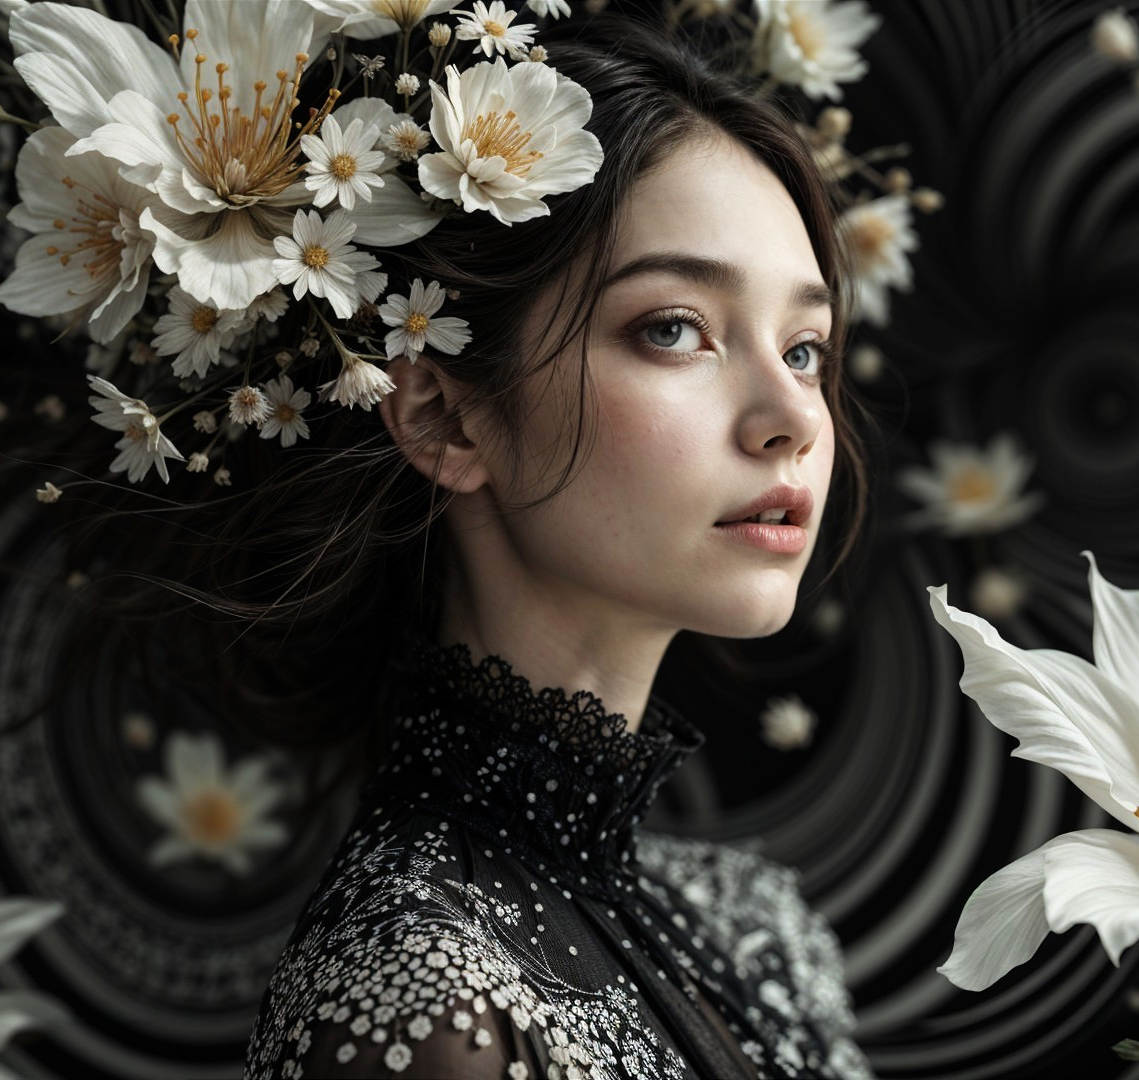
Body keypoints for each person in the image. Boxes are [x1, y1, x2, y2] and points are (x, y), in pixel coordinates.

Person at [239, 12, 876, 1080]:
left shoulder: (763, 929)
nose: (794, 417)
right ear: (443, 415)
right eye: (674, 328)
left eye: (805, 346)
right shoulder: (430, 1000)